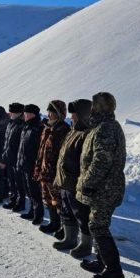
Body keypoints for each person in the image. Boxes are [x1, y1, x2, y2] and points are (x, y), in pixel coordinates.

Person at [76, 92, 127, 278]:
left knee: (99, 226)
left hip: (104, 188)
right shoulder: (103, 126)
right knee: (95, 224)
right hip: (104, 187)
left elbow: (101, 161)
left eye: (93, 105)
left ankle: (114, 271)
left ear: (97, 107)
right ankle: (101, 261)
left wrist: (88, 183)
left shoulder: (105, 128)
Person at [53, 99, 93, 257]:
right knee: (67, 211)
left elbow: (86, 161)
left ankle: (85, 244)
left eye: (74, 113)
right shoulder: (72, 130)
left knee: (81, 214)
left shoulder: (87, 133)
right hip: (65, 181)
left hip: (76, 182)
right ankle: (69, 238)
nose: (72, 116)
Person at [34, 100, 70, 235]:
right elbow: (41, 151)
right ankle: (53, 223)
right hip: (45, 172)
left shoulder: (64, 130)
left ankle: (64, 229)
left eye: (52, 112)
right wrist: (38, 168)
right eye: (49, 112)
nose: (49, 115)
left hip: (55, 174)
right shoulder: (47, 128)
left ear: (59, 114)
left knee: (59, 202)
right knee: (48, 199)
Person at [17, 104, 44, 224]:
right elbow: (22, 147)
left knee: (35, 192)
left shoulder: (38, 128)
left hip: (32, 165)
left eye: (26, 113)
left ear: (32, 114)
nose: (24, 115)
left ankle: (38, 214)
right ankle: (32, 211)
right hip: (25, 164)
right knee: (29, 190)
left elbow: (39, 149)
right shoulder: (26, 126)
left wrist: (36, 166)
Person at [0, 103, 26, 211]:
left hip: (17, 158)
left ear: (18, 113)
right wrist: (4, 157)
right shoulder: (11, 123)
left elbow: (20, 144)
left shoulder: (22, 125)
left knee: (19, 183)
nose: (10, 114)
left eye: (12, 112)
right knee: (12, 182)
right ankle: (13, 200)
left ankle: (20, 203)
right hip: (9, 157)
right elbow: (7, 142)